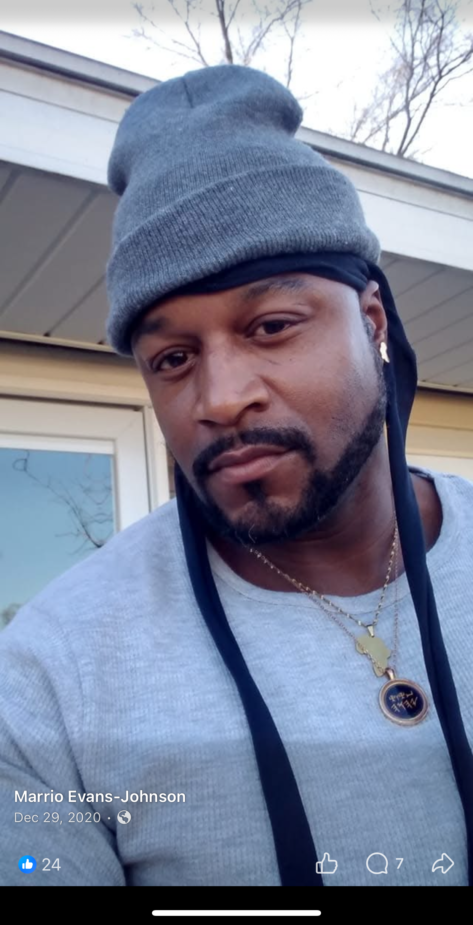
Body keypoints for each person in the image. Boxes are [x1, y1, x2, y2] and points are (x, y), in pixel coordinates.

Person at [0, 64, 472, 889]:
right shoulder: (50, 678)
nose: (219, 398)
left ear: (371, 321)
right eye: (173, 358)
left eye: (271, 326)